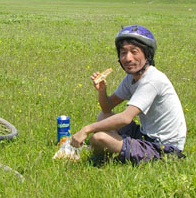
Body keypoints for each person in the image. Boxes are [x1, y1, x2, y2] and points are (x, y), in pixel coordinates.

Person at [70, 25, 187, 164]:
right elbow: (107, 108)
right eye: (123, 53)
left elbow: (126, 118)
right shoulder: (131, 79)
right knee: (103, 117)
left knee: (99, 139)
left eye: (134, 51)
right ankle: (114, 148)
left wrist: (87, 129)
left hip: (164, 147)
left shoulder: (152, 80)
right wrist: (102, 91)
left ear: (147, 54)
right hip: (145, 135)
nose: (128, 58)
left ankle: (106, 154)